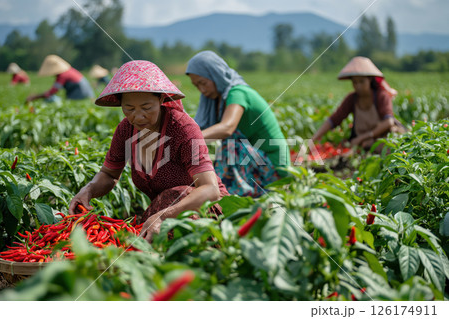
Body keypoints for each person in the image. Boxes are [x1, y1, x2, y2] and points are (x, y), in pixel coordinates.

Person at [69, 60, 228, 242]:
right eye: (129, 108)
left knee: (176, 194)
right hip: (165, 213)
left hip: (205, 213)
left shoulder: (182, 129)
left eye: (146, 108)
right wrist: (88, 190)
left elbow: (210, 189)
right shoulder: (126, 130)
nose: (137, 116)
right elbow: (109, 174)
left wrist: (163, 216)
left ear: (161, 99)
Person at [186, 51, 290, 197]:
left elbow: (227, 128)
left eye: (203, 83)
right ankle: (222, 191)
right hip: (253, 159)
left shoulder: (237, 92)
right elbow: (198, 129)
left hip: (273, 165)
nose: (202, 90)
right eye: (197, 86)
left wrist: (188, 141)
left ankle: (230, 194)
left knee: (231, 146)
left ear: (215, 74)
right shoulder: (216, 100)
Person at [312, 56, 404, 151]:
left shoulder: (381, 96)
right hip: (362, 144)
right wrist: (312, 140)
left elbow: (388, 122)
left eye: (361, 82)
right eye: (355, 82)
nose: (358, 86)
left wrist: (363, 137)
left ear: (370, 80)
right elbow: (334, 120)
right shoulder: (352, 99)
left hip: (383, 141)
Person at [26, 55, 94, 103]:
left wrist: (36, 97)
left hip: (80, 93)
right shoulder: (69, 71)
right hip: (87, 92)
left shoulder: (62, 75)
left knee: (53, 101)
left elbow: (52, 92)